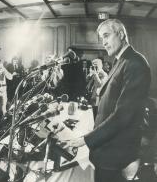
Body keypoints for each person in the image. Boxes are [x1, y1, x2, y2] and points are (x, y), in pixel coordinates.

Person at [64, 19, 151, 182]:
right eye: (101, 38)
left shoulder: (135, 63)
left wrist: (85, 139)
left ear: (120, 34)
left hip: (115, 152)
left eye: (106, 36)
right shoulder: (120, 60)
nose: (103, 42)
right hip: (106, 146)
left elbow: (123, 115)